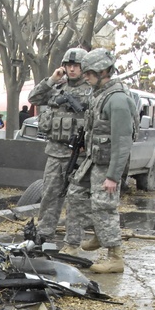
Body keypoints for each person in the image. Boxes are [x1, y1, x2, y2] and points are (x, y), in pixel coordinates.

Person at [67, 48, 135, 273]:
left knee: (105, 207)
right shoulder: (99, 95)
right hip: (94, 160)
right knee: (75, 195)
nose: (85, 76)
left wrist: (113, 176)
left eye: (89, 73)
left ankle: (114, 257)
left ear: (103, 71)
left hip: (108, 165)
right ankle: (99, 231)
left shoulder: (117, 100)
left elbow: (122, 141)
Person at [26, 48, 93, 247]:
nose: (72, 69)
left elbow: (97, 122)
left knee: (76, 200)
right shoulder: (56, 88)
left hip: (78, 155)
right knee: (49, 195)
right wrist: (51, 80)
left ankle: (73, 241)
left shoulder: (91, 90)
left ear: (83, 67)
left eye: (76, 66)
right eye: (68, 66)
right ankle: (43, 234)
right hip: (55, 152)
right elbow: (33, 98)